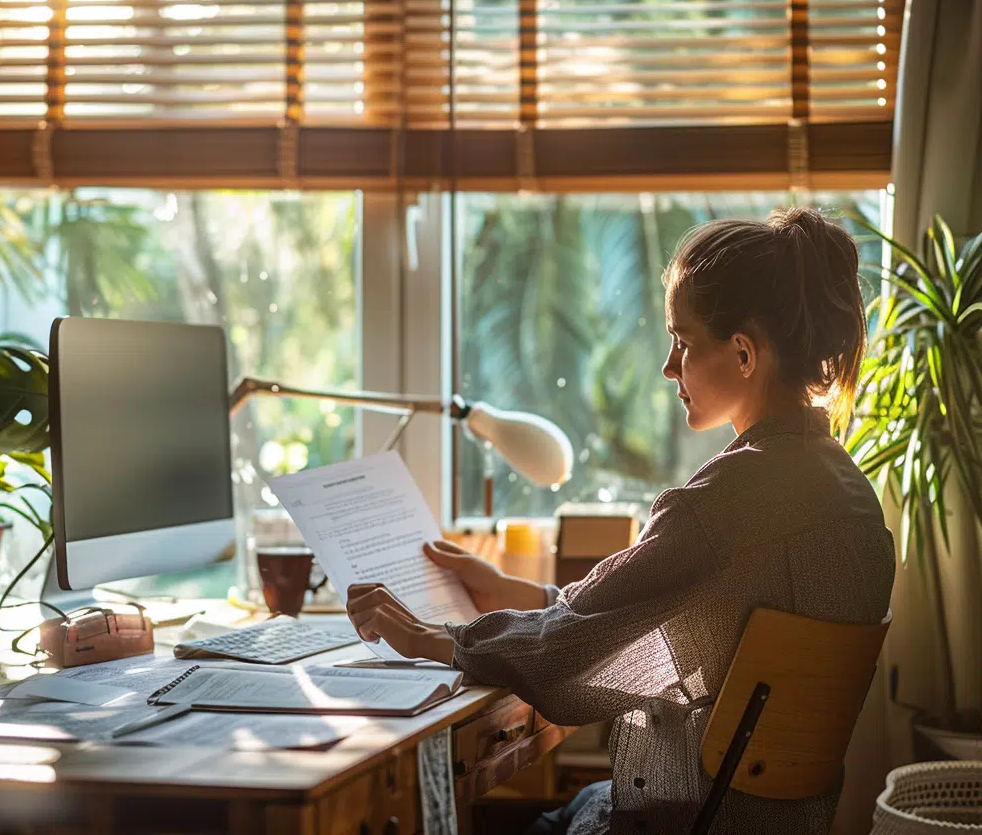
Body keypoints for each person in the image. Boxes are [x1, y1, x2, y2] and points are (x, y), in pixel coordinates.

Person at [346, 207, 896, 835]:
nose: (669, 367)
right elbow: (653, 616)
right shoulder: (849, 496)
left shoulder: (725, 502)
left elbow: (568, 662)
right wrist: (519, 594)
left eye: (683, 343)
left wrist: (436, 641)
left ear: (744, 352)